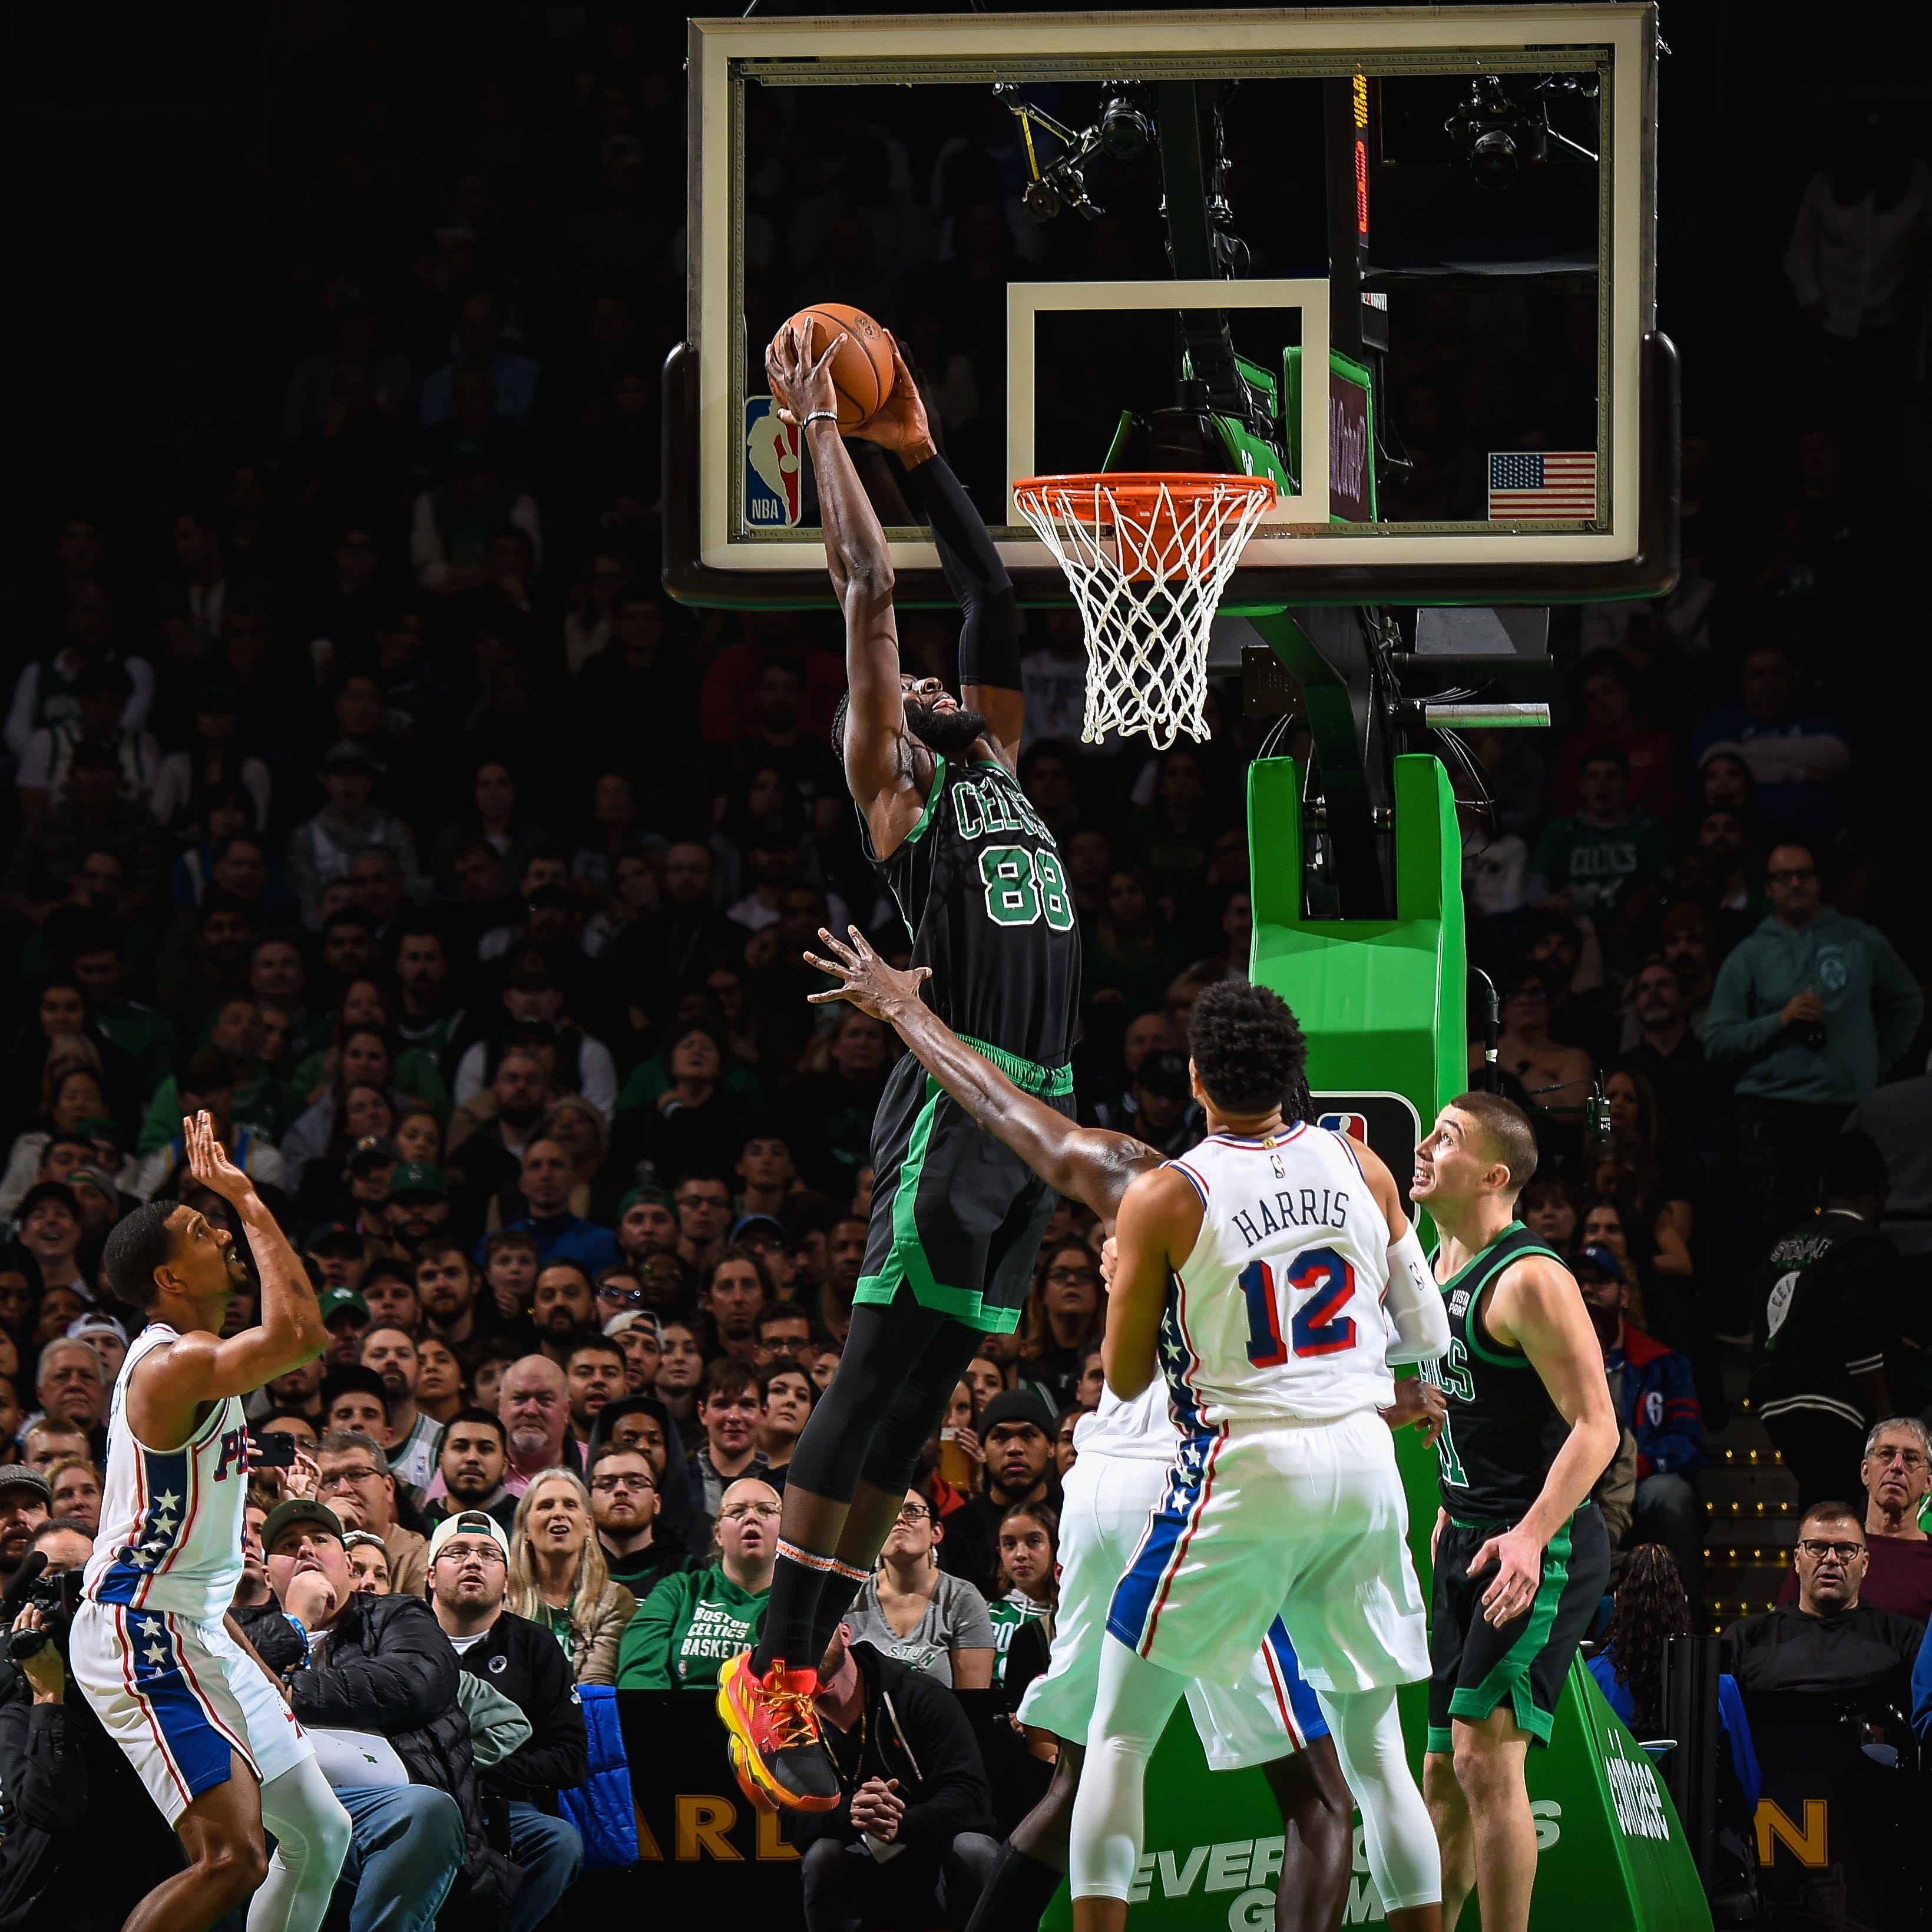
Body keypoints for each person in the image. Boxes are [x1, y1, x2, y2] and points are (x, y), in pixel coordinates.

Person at [803, 924, 1446, 1932]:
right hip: (1297, 1470)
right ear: (1296, 1072)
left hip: (1124, 1470)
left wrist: (904, 1010)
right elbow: (1426, 1334)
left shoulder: (1151, 1185)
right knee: (1347, 1779)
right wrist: (1396, 1386)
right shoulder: (1355, 1165)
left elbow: (1002, 1108)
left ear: (1194, 1076)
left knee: (1101, 1756)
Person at [722, 320, 1081, 1814]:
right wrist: (819, 434)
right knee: (872, 1369)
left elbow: (988, 583)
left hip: (1031, 1110)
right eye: (904, 685)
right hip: (955, 1091)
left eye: (941, 682)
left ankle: (807, 1637)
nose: (932, 676)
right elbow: (872, 587)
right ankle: (776, 1652)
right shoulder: (901, 786)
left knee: (926, 1394)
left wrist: (921, 445)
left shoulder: (993, 758)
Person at [70, 1114, 353, 1932]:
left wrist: (225, 1627)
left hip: (195, 1621)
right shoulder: (174, 1366)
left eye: (219, 1219)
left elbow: (180, 1529)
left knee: (322, 1834)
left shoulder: (201, 1355)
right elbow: (303, 1334)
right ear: (169, 1277)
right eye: (202, 1229)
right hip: (143, 1628)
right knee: (233, 1857)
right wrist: (246, 1192)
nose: (221, 1230)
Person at [1411, 1091, 1620, 1932]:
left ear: (1495, 1176)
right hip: (1466, 1535)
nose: (1425, 1147)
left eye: (1446, 1139)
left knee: (1483, 1764)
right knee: (1439, 1776)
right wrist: (1450, 1500)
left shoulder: (1530, 1278)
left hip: (1543, 1544)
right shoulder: (1433, 1260)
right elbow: (1470, 1403)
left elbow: (1598, 1427)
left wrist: (1531, 1533)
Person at [238, 1497, 498, 1932]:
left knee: (425, 1811)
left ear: (347, 1564)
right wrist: (295, 1624)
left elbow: (417, 1680)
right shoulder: (242, 1627)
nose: (305, 1549)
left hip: (375, 1802)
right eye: (288, 1544)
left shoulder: (396, 1612)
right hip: (270, 1803)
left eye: (321, 1540)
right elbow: (226, 1692)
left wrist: (290, 1691)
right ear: (268, 1575)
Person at [1706, 843, 1922, 1252]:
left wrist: (1881, 1063)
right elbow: (1717, 1040)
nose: (1794, 883)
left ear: (1819, 882)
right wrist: (1780, 1020)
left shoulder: (1861, 941)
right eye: (1783, 876)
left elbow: (1908, 1002)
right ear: (1768, 888)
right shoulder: (1749, 955)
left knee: (1850, 1230)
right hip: (1771, 1109)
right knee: (1777, 1236)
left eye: (1804, 874)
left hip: (1846, 1105)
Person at [426, 1511, 588, 1932]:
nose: (473, 1562)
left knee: (560, 1843)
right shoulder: (401, 1638)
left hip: (501, 1807)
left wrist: (475, 1772)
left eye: (488, 1555)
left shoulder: (537, 1646)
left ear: (508, 1580)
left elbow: (570, 1758)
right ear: (430, 1574)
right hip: (418, 1799)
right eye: (457, 1552)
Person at [793, 1623, 1001, 1932]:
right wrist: (851, 1810)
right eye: (790, 1643)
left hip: (933, 1857)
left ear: (846, 1633)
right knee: (822, 1854)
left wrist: (899, 1820)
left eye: (817, 1632)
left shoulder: (919, 1696)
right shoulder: (787, 1722)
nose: (805, 1649)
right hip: (859, 1861)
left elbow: (971, 1799)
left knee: (975, 1849)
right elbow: (793, 1820)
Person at [1749, 1133, 1908, 1507]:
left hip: (1774, 1401)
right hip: (1833, 1403)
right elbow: (1857, 1332)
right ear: (1879, 1192)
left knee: (1819, 1501)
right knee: (1840, 1510)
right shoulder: (1866, 1242)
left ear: (1823, 1188)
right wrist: (1886, 1413)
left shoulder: (1782, 1244)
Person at [1574, 1245, 1706, 1599]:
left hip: (1645, 1480)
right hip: (1585, 1487)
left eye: (1599, 1282)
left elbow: (1690, 1445)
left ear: (1624, 1294)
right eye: (1579, 1282)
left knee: (1671, 1494)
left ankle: (1687, 1626)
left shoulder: (1664, 1363)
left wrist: (1636, 1464)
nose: (1587, 1290)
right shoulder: (1556, 1362)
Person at [1725, 1503, 1924, 1717]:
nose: (1831, 1559)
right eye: (1817, 1547)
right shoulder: (1745, 1639)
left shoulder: (1904, 1638)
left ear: (1865, 1564)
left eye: (1846, 1549)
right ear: (1797, 1560)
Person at [618, 1476, 779, 1689]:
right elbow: (638, 1674)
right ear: (718, 1535)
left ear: (786, 1532)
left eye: (766, 1510)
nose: (751, 1518)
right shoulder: (678, 1591)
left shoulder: (799, 1604)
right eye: (737, 1511)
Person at [1777, 1418, 1932, 1623]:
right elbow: (1781, 1633)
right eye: (1886, 1454)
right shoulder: (1821, 1551)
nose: (1896, 1466)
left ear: (1928, 1483)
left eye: (1911, 1459)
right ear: (1865, 1472)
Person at [842, 1491, 996, 1686]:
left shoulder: (963, 1599)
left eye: (913, 1512)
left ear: (936, 1532)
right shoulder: (851, 1598)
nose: (899, 1519)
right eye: (887, 1513)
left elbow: (972, 1701)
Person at [506, 1467, 637, 1683]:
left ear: (588, 1526)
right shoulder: (502, 1599)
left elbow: (596, 1683)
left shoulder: (615, 1600)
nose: (558, 1514)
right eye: (546, 1506)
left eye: (570, 1505)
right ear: (526, 1529)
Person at [313, 1428, 429, 1599]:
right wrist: (326, 1533)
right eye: (330, 1480)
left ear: (388, 1488)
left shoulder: (420, 1556)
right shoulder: (305, 1552)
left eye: (358, 1475)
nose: (343, 1490)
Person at [587, 1438, 686, 1600]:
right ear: (590, 1502)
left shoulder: (686, 1574)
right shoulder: (572, 1567)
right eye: (607, 1484)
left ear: (657, 1503)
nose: (620, 1490)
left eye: (635, 1482)